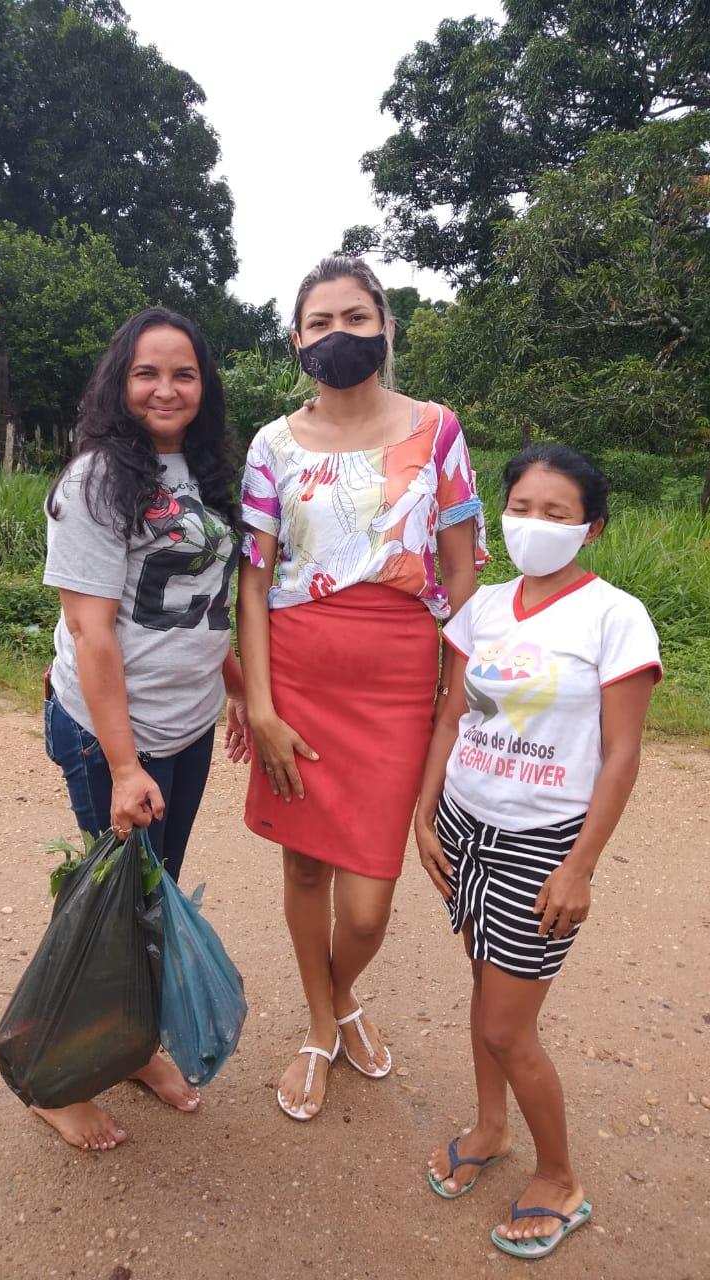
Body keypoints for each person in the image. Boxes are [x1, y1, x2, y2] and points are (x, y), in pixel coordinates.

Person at [237, 256, 487, 1121]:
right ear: (298, 340)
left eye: (353, 317)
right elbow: (253, 582)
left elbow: (462, 580)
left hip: (398, 686)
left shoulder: (438, 430)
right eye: (319, 323)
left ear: (384, 324)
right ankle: (322, 1018)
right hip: (297, 679)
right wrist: (259, 707)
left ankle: (345, 990)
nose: (336, 335)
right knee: (304, 864)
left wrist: (456, 706)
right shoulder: (271, 444)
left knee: (372, 899)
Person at [414, 445, 662, 1260]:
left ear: (590, 529)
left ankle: (559, 1178)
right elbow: (454, 716)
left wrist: (580, 866)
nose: (534, 524)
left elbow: (621, 754)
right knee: (484, 990)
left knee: (508, 1029)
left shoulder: (613, 617)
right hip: (466, 827)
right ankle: (490, 1127)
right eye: (521, 506)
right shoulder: (480, 610)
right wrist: (426, 813)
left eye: (556, 513)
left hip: (543, 842)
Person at [37, 307, 251, 1151]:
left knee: (150, 896)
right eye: (147, 373)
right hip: (111, 738)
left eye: (184, 373)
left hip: (186, 726)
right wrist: (125, 767)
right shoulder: (96, 481)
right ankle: (59, 1075)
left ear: (205, 387)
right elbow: (92, 633)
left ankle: (129, 1046)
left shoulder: (200, 472)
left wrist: (232, 685)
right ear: (119, 383)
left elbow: (204, 602)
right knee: (113, 904)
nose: (166, 388)